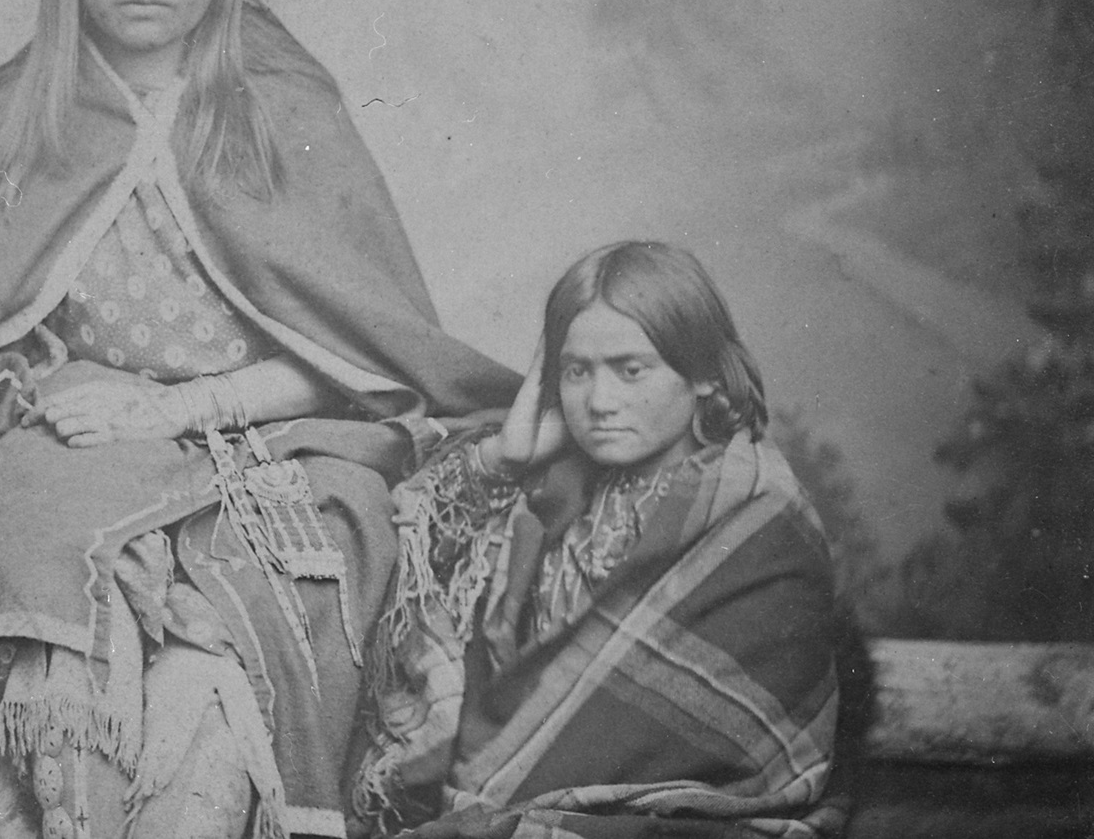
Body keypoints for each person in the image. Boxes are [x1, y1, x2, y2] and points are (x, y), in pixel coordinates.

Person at [0, 0, 518, 839]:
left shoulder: (280, 110)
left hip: (282, 440)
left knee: (225, 668)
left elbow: (365, 355)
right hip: (75, 441)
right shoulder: (14, 122)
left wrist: (176, 408)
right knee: (53, 624)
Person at [354, 242, 843, 839]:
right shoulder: (552, 491)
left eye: (631, 370)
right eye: (576, 372)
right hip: (504, 807)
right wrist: (505, 456)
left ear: (704, 375)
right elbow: (415, 575)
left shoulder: (758, 516)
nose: (600, 403)